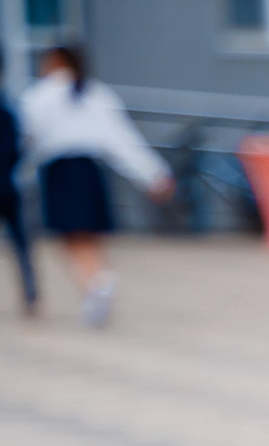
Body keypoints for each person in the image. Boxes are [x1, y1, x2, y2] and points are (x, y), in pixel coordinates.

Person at [20, 43, 170, 329]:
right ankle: (98, 283)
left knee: (71, 237)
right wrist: (154, 175)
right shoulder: (97, 94)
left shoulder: (39, 96)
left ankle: (95, 285)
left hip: (61, 171)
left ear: (54, 60)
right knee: (90, 236)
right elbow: (123, 141)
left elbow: (26, 141)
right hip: (90, 170)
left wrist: (20, 175)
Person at [0, 49, 36, 316]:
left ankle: (31, 291)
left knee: (21, 243)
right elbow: (16, 151)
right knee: (20, 243)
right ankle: (31, 292)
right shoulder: (8, 111)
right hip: (7, 185)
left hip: (6, 185)